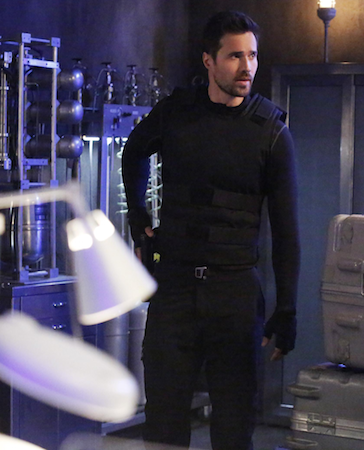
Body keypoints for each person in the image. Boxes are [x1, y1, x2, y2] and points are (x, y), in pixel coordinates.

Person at [122, 10, 300, 450]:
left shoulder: (271, 132)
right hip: (175, 289)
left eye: (252, 55)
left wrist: (287, 310)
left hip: (234, 292)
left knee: (234, 427)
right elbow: (134, 152)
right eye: (235, 56)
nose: (247, 67)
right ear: (209, 61)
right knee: (163, 425)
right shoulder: (177, 112)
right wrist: (138, 218)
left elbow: (287, 231)